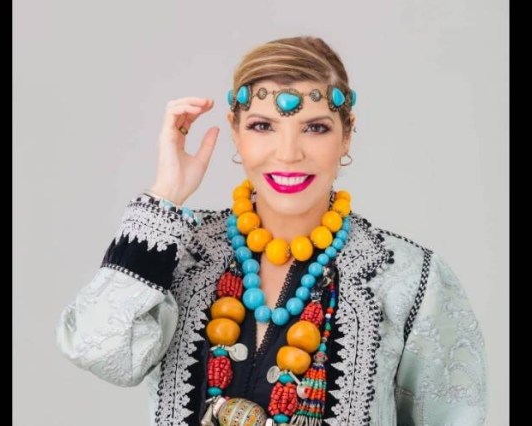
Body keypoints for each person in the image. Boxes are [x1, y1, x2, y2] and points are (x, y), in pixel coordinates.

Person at [56, 36, 488, 426]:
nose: (288, 153)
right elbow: (98, 350)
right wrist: (166, 194)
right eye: (262, 126)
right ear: (235, 132)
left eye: (315, 128)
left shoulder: (407, 278)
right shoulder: (181, 251)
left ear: (346, 136)